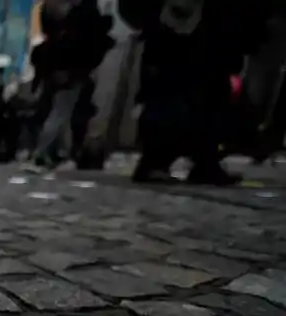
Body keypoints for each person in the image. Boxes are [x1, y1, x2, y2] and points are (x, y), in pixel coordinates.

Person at [121, 0, 269, 185]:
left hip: (207, 28)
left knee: (211, 93)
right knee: (173, 91)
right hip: (181, 26)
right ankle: (156, 161)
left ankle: (204, 161)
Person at [25, 0, 113, 172]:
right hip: (70, 70)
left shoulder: (58, 14)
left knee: (57, 111)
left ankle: (49, 152)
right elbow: (84, 45)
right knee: (60, 112)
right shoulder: (81, 15)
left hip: (59, 68)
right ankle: (41, 153)